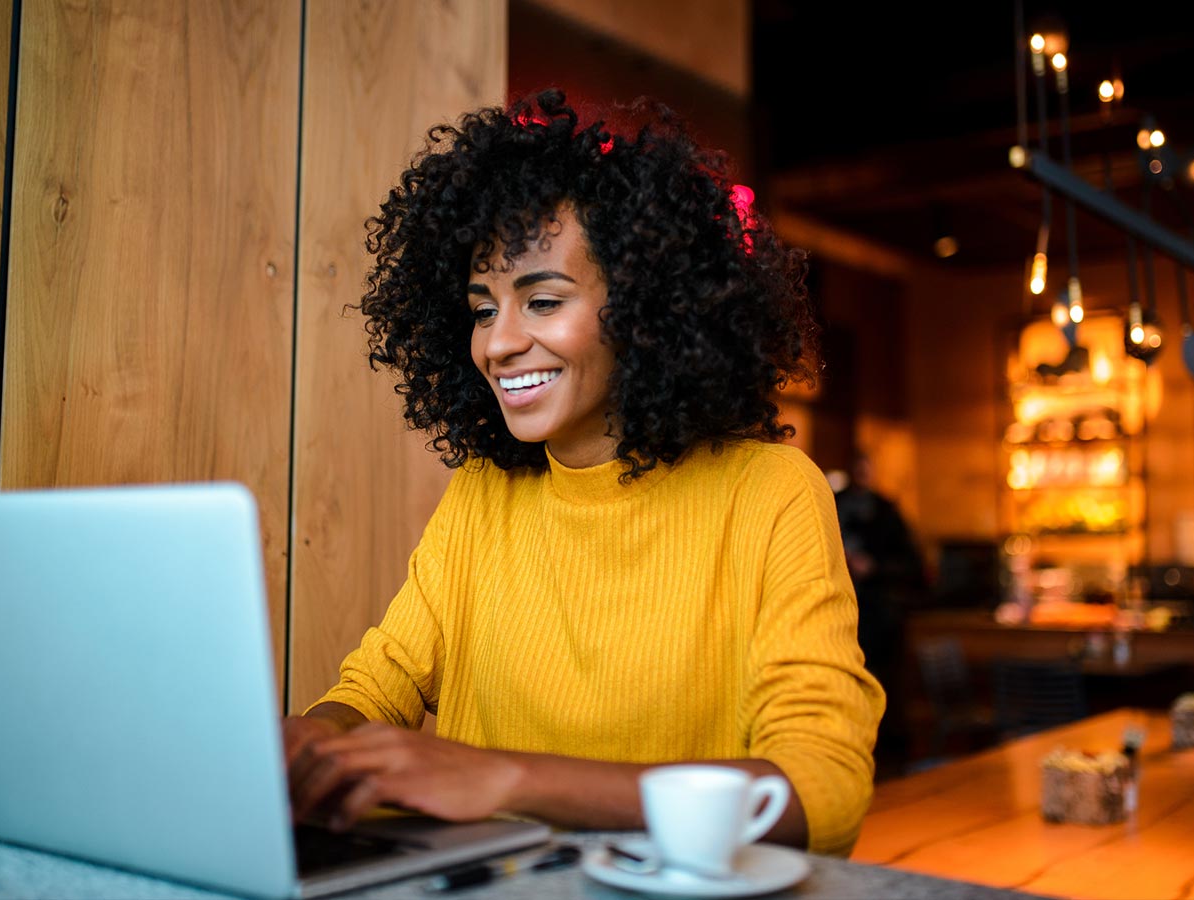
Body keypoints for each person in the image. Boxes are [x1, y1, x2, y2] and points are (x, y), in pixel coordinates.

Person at [284, 90, 884, 857]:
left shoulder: (769, 493)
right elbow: (378, 686)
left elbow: (821, 791)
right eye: (481, 309)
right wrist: (310, 744)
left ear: (641, 310)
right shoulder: (484, 492)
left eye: (541, 300)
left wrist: (507, 780)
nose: (498, 345)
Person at [834, 451, 926, 774]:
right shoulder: (830, 502)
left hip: (877, 618)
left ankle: (878, 754)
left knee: (879, 684)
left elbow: (914, 566)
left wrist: (872, 568)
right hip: (835, 616)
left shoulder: (887, 510)